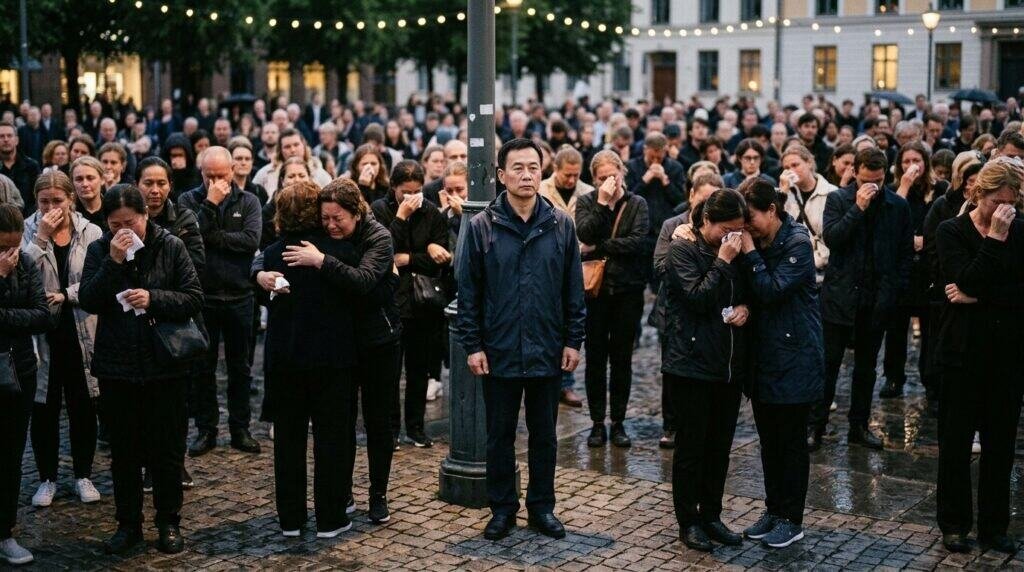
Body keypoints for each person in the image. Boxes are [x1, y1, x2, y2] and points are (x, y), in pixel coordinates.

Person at [454, 138, 585, 541]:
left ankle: (542, 507)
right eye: (518, 168)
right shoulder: (482, 227)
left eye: (533, 167)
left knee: (545, 434)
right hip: (500, 348)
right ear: (501, 175)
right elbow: (469, 293)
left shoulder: (561, 224)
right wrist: (473, 345)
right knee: (499, 435)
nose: (527, 175)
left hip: (547, 348)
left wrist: (573, 341)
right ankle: (502, 508)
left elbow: (573, 292)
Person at [79, 184, 204, 555]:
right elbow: (88, 298)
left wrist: (154, 299)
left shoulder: (170, 246)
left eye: (130, 223)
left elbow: (194, 297)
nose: (123, 231)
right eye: (115, 224)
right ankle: (128, 524)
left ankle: (169, 521)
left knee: (167, 450)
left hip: (164, 365)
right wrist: (113, 263)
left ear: (145, 216)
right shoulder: (100, 250)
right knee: (124, 453)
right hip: (118, 366)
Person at [256, 181, 357, 538]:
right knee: (331, 441)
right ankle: (330, 518)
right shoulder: (334, 250)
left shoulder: (272, 255)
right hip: (330, 360)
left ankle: (291, 519)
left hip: (285, 359)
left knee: (288, 442)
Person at [934, 158, 1024, 554]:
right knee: (955, 443)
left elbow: (1018, 292)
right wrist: (994, 240)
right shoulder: (951, 230)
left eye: (1012, 203)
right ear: (978, 195)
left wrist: (979, 297)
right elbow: (963, 279)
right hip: (961, 353)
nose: (1005, 210)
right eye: (997, 202)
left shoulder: (1021, 230)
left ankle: (994, 525)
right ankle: (954, 524)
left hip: (1006, 354)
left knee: (1000, 444)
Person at [735, 179, 823, 549]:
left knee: (791, 442)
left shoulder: (797, 243)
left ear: (772, 210)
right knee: (769, 441)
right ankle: (774, 510)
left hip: (796, 357)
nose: (746, 228)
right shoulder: (764, 239)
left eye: (750, 218)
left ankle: (793, 517)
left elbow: (771, 290)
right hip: (765, 357)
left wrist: (751, 253)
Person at [662, 188, 749, 552]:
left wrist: (746, 306)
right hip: (691, 364)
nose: (731, 236)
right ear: (706, 221)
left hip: (727, 365)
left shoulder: (737, 248)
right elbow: (697, 297)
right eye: (725, 229)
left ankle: (712, 514)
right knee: (691, 448)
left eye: (738, 229)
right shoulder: (682, 248)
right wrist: (723, 260)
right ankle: (689, 520)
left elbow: (746, 289)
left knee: (720, 447)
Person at [809, 148, 912, 451]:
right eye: (867, 179)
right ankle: (815, 426)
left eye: (879, 181)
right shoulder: (839, 199)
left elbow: (904, 255)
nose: (873, 186)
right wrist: (858, 207)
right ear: (854, 172)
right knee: (828, 365)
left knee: (866, 369)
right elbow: (833, 238)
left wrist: (892, 293)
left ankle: (859, 425)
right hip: (840, 296)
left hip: (876, 299)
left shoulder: (897, 206)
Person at [21, 171, 103, 509]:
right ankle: (47, 478)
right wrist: (41, 238)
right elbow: (22, 275)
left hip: (81, 328)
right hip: (42, 335)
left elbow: (97, 280)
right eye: (44, 202)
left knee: (83, 404)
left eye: (57, 201)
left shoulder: (91, 231)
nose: (51, 208)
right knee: (44, 407)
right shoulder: (28, 229)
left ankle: (83, 474)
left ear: (70, 199)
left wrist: (67, 295)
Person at [179, 147, 263, 457]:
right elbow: (190, 237)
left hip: (240, 294)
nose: (216, 181)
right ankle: (206, 429)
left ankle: (240, 428)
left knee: (240, 367)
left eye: (221, 176)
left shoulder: (249, 200)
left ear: (232, 171)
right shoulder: (189, 200)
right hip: (205, 296)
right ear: (201, 173)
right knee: (203, 367)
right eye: (209, 176)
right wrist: (211, 205)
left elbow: (250, 242)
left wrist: (214, 237)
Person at [371, 160, 449, 449]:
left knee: (419, 370)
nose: (413, 198)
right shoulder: (381, 210)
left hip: (422, 303)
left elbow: (439, 258)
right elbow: (383, 251)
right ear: (394, 189)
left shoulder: (431, 212)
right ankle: (390, 430)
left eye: (417, 191)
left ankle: (416, 428)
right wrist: (401, 218)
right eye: (406, 192)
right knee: (390, 373)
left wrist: (411, 258)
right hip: (391, 301)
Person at [576, 150, 649, 448]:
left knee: (621, 359)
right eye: (602, 177)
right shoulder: (587, 202)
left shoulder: (637, 204)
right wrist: (603, 205)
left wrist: (600, 247)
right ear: (594, 179)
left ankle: (618, 421)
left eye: (613, 176)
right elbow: (583, 232)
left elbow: (638, 242)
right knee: (595, 359)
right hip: (595, 293)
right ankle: (596, 422)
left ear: (622, 173)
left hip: (627, 291)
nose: (609, 181)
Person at [651, 171, 723, 448]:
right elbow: (658, 267)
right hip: (671, 311)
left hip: (707, 309)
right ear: (691, 196)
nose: (706, 206)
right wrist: (684, 254)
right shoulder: (673, 225)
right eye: (702, 199)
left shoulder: (720, 230)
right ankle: (671, 425)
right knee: (672, 372)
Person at [0, 204, 52, 566]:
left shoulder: (27, 264)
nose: (10, 254)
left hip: (18, 371)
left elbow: (42, 315)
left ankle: (4, 531)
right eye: (2, 247)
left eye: (14, 246)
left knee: (11, 456)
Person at [879, 141, 947, 399]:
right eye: (905, 161)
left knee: (931, 327)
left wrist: (926, 241)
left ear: (925, 163)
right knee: (897, 328)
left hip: (929, 267)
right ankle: (893, 377)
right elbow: (888, 222)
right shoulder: (894, 190)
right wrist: (904, 187)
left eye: (915, 161)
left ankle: (931, 377)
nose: (911, 166)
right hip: (902, 268)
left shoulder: (939, 189)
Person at [537, 146, 594, 408]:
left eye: (575, 175)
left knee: (571, 319)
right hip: (546, 263)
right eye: (566, 175)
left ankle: (566, 382)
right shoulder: (542, 189)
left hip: (577, 261)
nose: (571, 180)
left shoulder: (587, 192)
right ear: (556, 170)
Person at [625, 132, 685, 289]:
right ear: (645, 149)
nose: (656, 160)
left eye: (660, 156)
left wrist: (665, 181)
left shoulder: (675, 167)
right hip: (640, 228)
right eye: (653, 156)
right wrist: (645, 179)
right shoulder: (632, 166)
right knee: (638, 278)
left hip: (664, 228)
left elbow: (680, 199)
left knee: (661, 277)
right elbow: (627, 198)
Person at [780, 145, 838, 283]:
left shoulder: (831, 192)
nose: (791, 171)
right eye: (787, 168)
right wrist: (782, 194)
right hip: (795, 268)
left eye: (795, 165)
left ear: (809, 163)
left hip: (826, 269)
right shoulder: (785, 193)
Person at [0, 121, 40, 216]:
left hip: (27, 221)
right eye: (1, 136)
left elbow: (38, 198)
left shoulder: (32, 166)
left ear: (16, 140)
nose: (6, 139)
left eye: (9, 136)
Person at [228, 136, 269, 206]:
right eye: (239, 158)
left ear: (252, 161)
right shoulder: (222, 190)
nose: (243, 163)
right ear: (229, 161)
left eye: (247, 159)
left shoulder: (259, 191)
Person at [71, 156, 108, 232]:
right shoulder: (69, 214)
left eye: (90, 178)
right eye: (79, 179)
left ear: (102, 179)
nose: (85, 184)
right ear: (72, 182)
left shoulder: (112, 210)